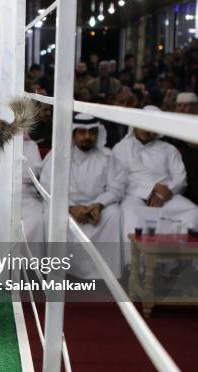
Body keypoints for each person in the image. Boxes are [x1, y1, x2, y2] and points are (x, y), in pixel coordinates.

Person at [41, 114, 125, 278]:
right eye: (82, 132)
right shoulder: (58, 156)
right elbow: (47, 186)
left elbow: (117, 188)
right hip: (65, 204)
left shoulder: (107, 157)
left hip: (96, 207)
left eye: (92, 132)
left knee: (114, 214)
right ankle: (58, 272)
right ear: (73, 134)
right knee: (51, 215)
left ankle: (103, 275)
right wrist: (71, 207)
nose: (88, 137)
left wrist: (99, 205)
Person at [113, 106, 198, 243]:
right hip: (133, 196)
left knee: (193, 212)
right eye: (144, 125)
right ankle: (134, 262)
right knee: (130, 217)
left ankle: (179, 260)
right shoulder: (121, 148)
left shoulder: (169, 149)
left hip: (167, 196)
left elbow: (181, 179)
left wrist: (161, 194)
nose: (147, 130)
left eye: (152, 127)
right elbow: (121, 179)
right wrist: (152, 188)